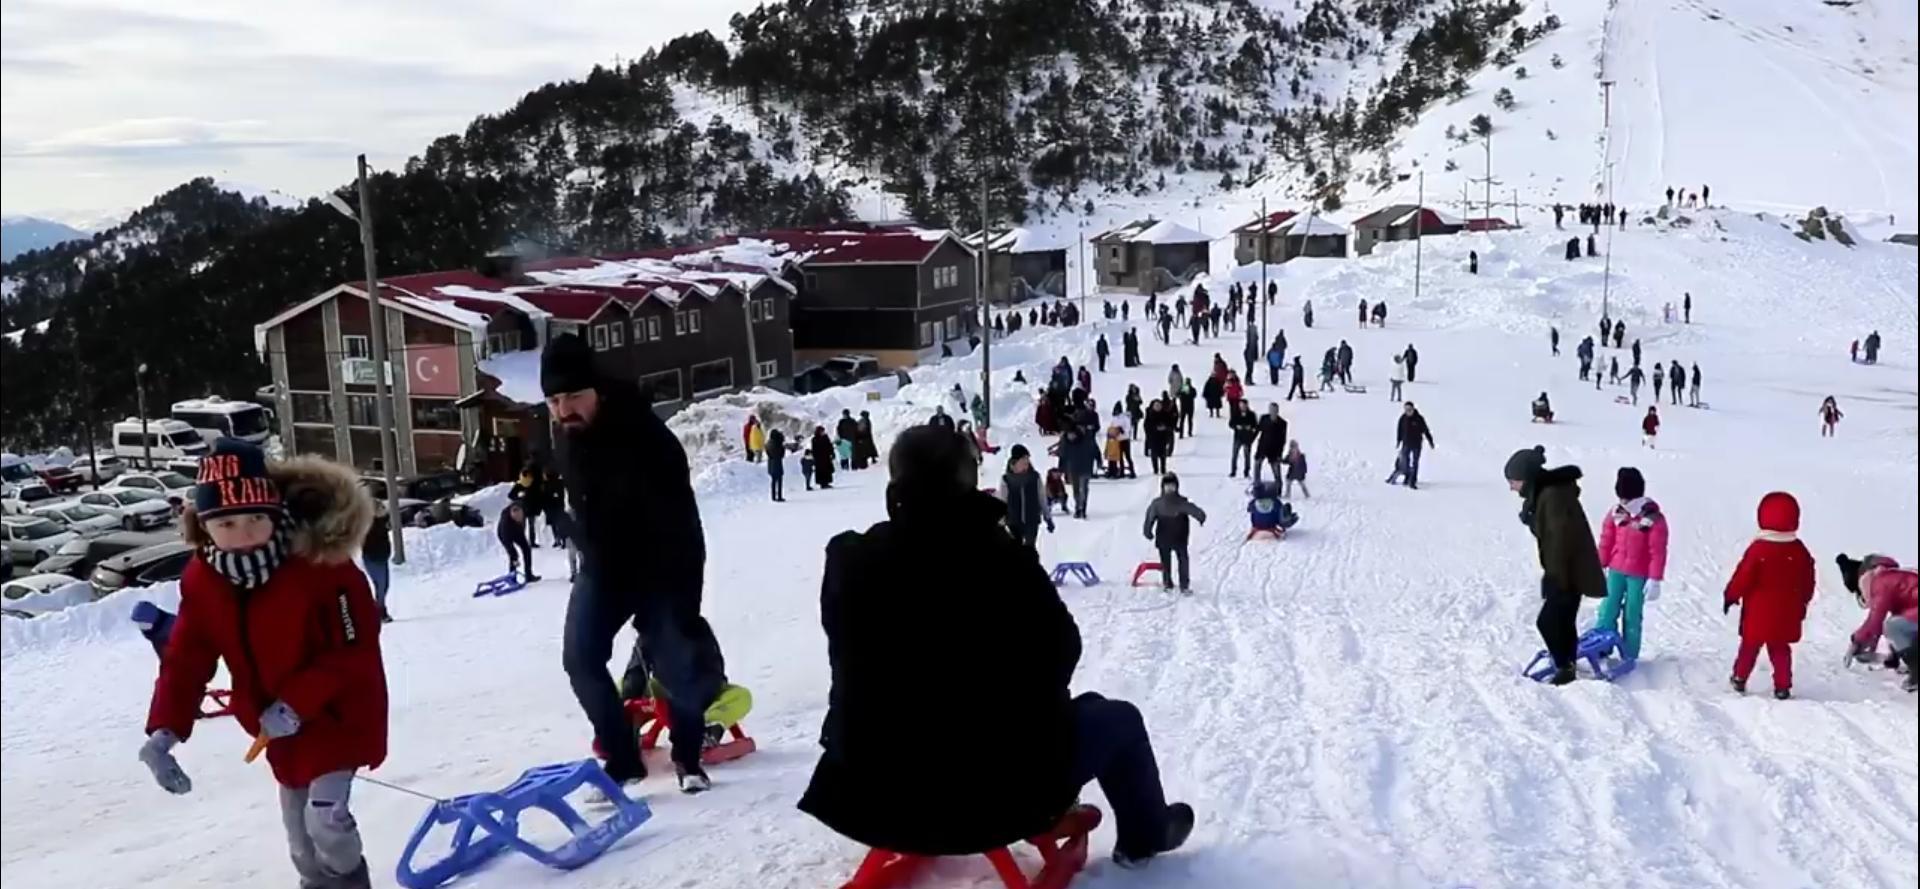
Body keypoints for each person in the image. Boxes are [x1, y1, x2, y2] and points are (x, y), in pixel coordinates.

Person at [801, 428, 1195, 868]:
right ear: (968, 479)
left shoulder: (850, 559)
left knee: (1089, 708)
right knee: (1118, 719)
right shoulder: (999, 558)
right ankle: (1147, 834)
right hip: (990, 800)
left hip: (867, 793)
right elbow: (1062, 650)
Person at [138, 441, 385, 888]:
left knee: (325, 819)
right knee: (298, 840)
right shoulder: (203, 579)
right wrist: (164, 731)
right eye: (228, 523)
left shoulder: (323, 567)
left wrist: (296, 703)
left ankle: (352, 883)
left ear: (275, 512)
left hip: (337, 717)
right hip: (275, 729)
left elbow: (354, 650)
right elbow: (187, 657)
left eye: (257, 518)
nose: (246, 532)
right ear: (205, 526)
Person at [542, 333, 729, 794]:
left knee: (676, 663)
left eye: (573, 396)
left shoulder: (648, 440)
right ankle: (623, 760)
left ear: (597, 391)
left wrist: (680, 600)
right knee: (580, 658)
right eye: (554, 399)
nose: (564, 408)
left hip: (664, 565)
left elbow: (680, 524)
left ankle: (688, 756)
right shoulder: (567, 435)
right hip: (605, 567)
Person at [1502, 446, 1606, 685]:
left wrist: (1554, 577)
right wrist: (1532, 520)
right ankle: (1567, 663)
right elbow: (1550, 532)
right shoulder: (1545, 493)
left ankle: (1565, 667)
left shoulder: (1552, 495)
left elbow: (1560, 540)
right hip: (1569, 570)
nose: (1511, 487)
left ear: (1526, 478)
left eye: (1513, 481)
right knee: (1563, 620)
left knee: (1548, 622)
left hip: (1568, 571)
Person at [1722, 493, 1816, 699]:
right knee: (1780, 648)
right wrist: (1803, 600)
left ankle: (1739, 678)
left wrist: (1731, 594)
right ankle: (1783, 686)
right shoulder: (1799, 550)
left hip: (1758, 612)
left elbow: (1743, 576)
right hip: (1787, 611)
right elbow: (1808, 579)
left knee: (1749, 646)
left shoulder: (1759, 549)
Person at [1593, 468, 1668, 666]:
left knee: (1632, 613)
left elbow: (1657, 551)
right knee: (1608, 608)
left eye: (1628, 500)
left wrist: (1655, 578)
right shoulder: (1616, 513)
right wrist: (1599, 565)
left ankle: (1629, 653)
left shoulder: (1653, 519)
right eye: (1621, 498)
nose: (1624, 504)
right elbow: (1606, 540)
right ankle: (1601, 647)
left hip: (1639, 575)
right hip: (1616, 570)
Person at [1838, 554, 1919, 692]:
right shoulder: (1891, 576)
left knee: (1892, 626)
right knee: (1899, 624)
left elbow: (1875, 621)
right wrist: (1894, 655)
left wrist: (1856, 641)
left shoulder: (1880, 582)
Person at [1143, 473, 1207, 593]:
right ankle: (1180, 584)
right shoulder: (1178, 503)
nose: (1170, 490)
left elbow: (1150, 517)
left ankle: (1169, 583)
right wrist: (1201, 516)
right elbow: (1150, 517)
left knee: (1170, 560)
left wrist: (1148, 531)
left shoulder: (1159, 504)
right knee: (1180, 560)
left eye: (1171, 487)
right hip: (1179, 537)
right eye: (1168, 487)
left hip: (1167, 538)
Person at [998, 444, 1054, 549]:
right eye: (1023, 461)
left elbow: (1041, 498)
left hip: (1031, 520)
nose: (1026, 463)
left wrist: (1048, 517)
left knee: (1029, 549)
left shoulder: (1034, 477)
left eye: (1027, 460)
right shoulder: (1007, 479)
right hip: (1013, 521)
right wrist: (1000, 521)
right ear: (1014, 462)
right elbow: (1002, 500)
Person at [1059, 403, 1100, 520]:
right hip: (1075, 465)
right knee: (1078, 488)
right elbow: (1063, 453)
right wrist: (1062, 466)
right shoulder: (1067, 437)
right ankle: (1079, 507)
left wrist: (1098, 458)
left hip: (1083, 464)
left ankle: (1082, 508)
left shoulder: (1087, 436)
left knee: (1083, 487)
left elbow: (1094, 448)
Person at [1389, 402, 1435, 490]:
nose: (1408, 411)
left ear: (1413, 409)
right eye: (1406, 410)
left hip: (1416, 444)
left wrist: (1430, 441)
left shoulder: (1419, 419)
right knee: (1405, 462)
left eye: (1409, 409)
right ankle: (1407, 477)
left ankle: (1412, 481)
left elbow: (1426, 430)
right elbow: (1399, 430)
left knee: (1415, 463)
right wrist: (1398, 441)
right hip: (1406, 444)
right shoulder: (1403, 418)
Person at [362, 501, 392, 622]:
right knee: (381, 586)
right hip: (374, 558)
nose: (385, 509)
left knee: (383, 586)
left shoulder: (378, 522)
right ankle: (380, 611)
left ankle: (378, 610)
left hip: (379, 557)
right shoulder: (373, 525)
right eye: (382, 508)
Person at [498, 502, 538, 581]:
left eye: (520, 517)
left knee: (526, 549)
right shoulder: (505, 522)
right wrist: (515, 558)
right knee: (513, 555)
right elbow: (508, 545)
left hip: (518, 531)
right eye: (516, 518)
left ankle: (529, 575)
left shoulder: (523, 508)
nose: (519, 519)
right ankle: (512, 577)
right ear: (511, 514)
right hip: (505, 534)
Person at [1253, 403, 1288, 484]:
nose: (1273, 411)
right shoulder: (1264, 418)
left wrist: (1280, 453)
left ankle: (1278, 489)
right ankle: (1257, 485)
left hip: (1274, 450)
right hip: (1263, 447)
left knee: (1276, 471)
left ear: (1277, 411)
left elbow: (1283, 439)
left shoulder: (1282, 423)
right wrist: (1250, 441)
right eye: (1271, 409)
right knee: (1257, 465)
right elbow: (1257, 430)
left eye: (1274, 410)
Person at [1143, 399, 1176, 475]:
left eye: (1159, 405)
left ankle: (1163, 469)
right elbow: (1146, 426)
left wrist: (1165, 427)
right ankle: (1155, 469)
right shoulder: (1150, 414)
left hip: (1163, 437)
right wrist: (1155, 428)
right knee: (1154, 454)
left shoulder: (1165, 414)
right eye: (1156, 406)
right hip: (1153, 438)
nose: (1158, 407)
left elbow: (1170, 424)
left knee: (1163, 455)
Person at [1227, 400, 1259, 478]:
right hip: (1238, 437)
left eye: (1243, 405)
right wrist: (1236, 426)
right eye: (1241, 405)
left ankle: (1246, 472)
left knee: (1247, 455)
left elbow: (1255, 425)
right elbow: (1231, 424)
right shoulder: (1236, 414)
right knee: (1235, 455)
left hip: (1247, 438)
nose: (1242, 407)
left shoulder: (1251, 415)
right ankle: (1233, 471)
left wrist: (1250, 427)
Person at [764, 428, 790, 502]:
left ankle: (773, 496)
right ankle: (779, 496)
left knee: (773, 481)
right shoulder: (777, 444)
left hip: (771, 463)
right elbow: (781, 454)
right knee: (779, 480)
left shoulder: (768, 443)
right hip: (777, 463)